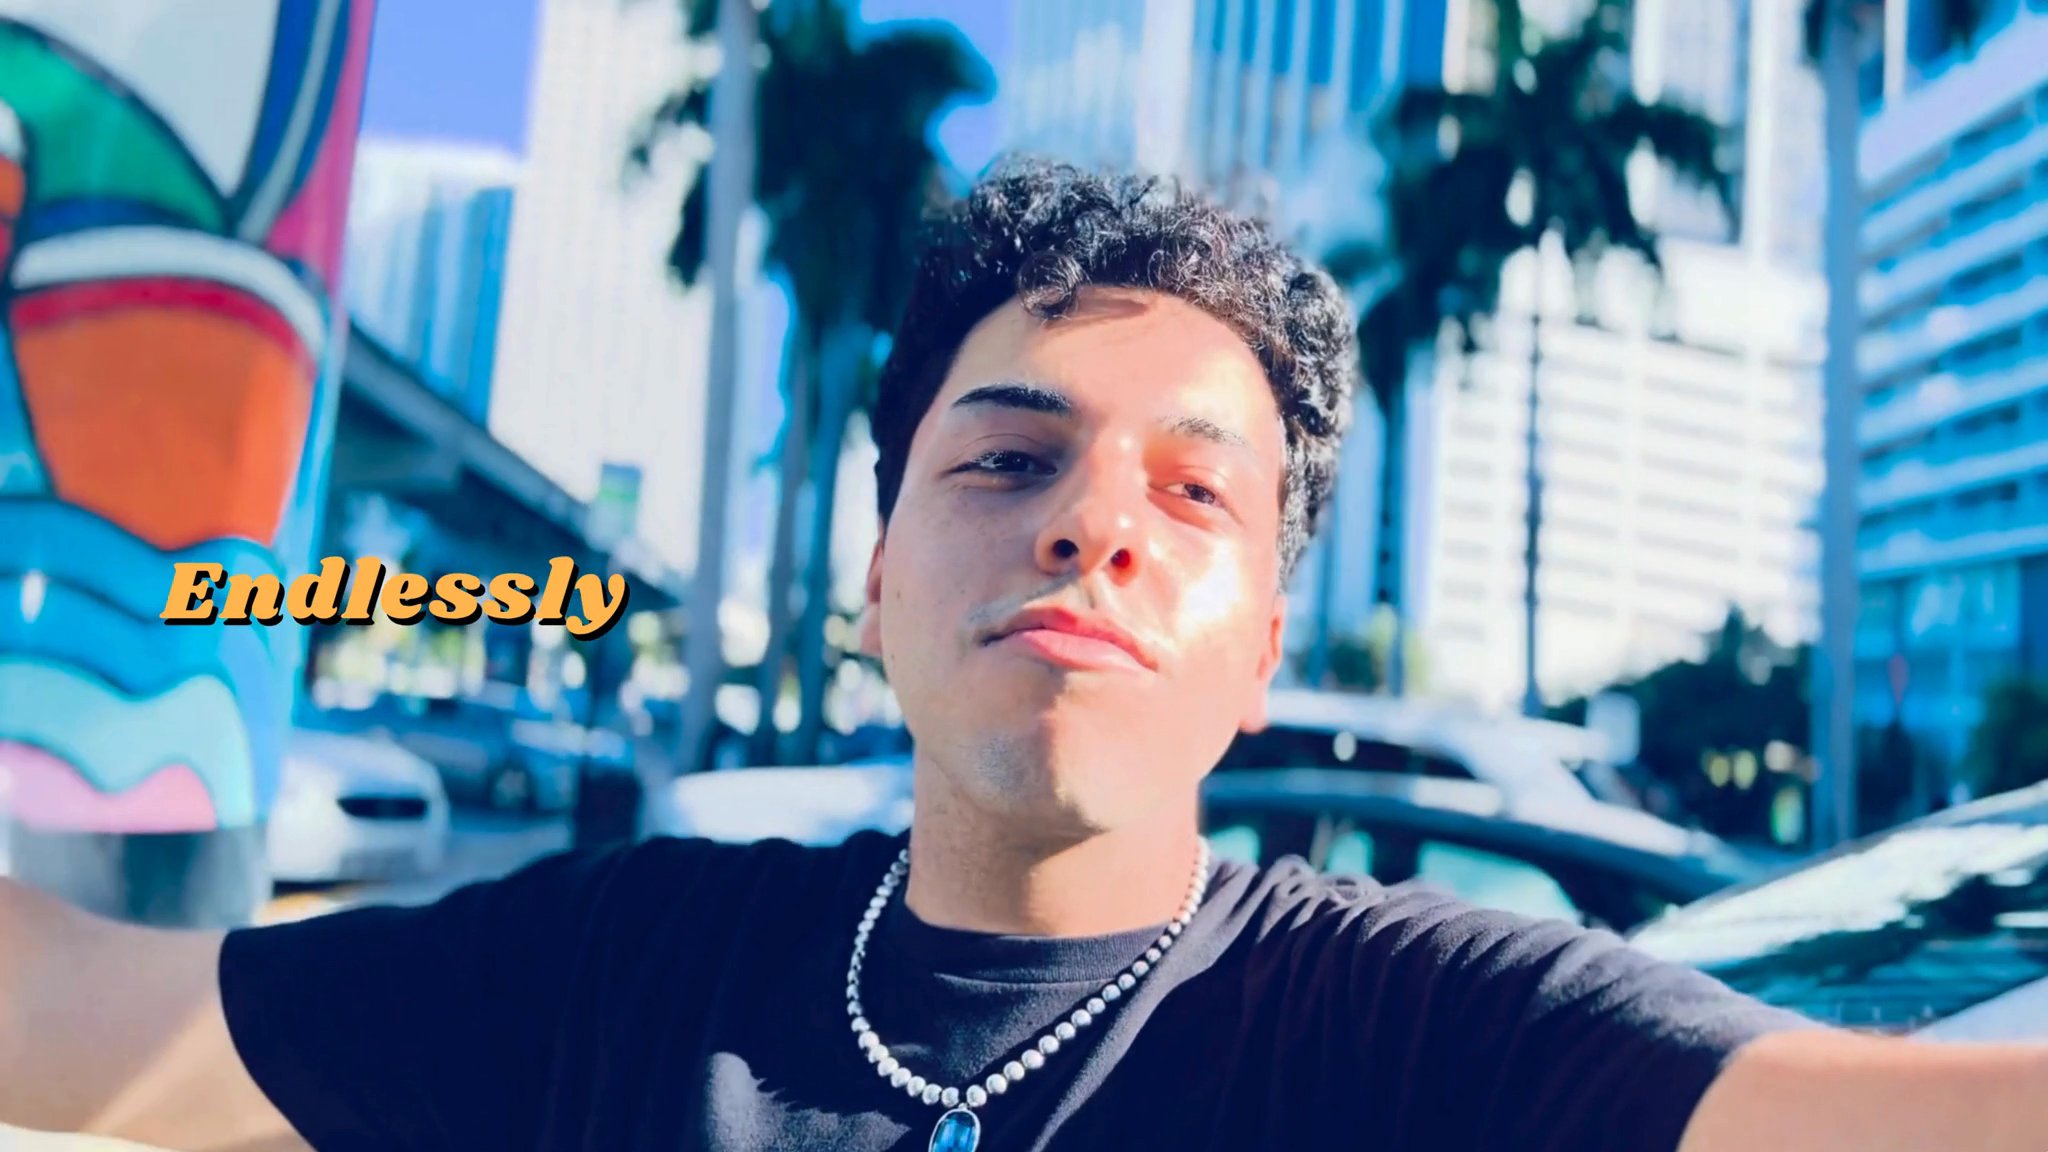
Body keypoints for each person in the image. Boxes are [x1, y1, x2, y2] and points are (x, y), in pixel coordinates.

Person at [2, 155, 2044, 1152]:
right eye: (1008, 458)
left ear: (1262, 655)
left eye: (1194, 493)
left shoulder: (1423, 1033)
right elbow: (77, 1018)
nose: (1091, 523)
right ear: (877, 574)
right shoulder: (624, 971)